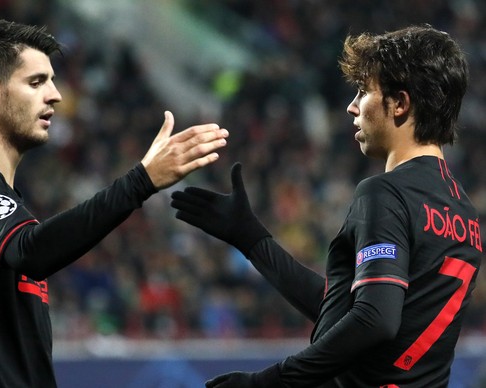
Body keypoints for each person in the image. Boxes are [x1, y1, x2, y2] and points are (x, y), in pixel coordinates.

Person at [0, 20, 229, 387]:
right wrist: (141, 181)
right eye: (36, 82)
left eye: (51, 80)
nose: (55, 94)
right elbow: (32, 251)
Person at [171, 24, 482, 387]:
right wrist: (253, 240)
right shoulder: (463, 212)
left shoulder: (385, 193)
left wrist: (269, 382)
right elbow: (351, 310)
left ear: (400, 103)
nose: (352, 106)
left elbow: (373, 319)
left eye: (364, 91)